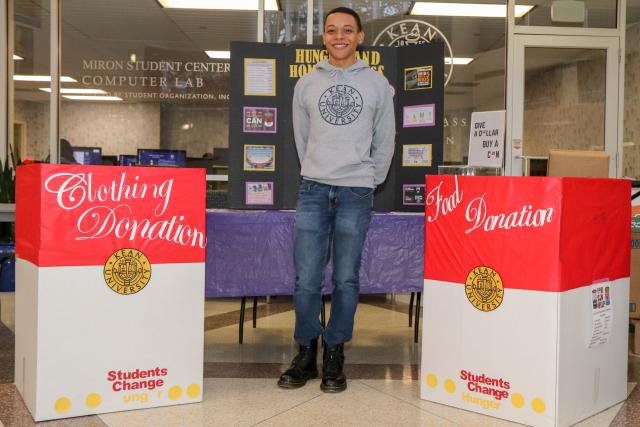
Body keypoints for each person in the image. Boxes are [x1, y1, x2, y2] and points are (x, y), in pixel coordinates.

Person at [278, 7, 395, 393]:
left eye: (347, 30)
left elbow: (385, 139)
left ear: (360, 37)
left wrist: (368, 180)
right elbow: (301, 137)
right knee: (307, 280)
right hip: (313, 190)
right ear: (323, 37)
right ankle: (306, 352)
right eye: (331, 30)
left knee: (346, 278)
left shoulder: (377, 84)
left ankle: (335, 351)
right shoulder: (306, 84)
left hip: (356, 193)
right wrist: (318, 169)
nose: (339, 36)